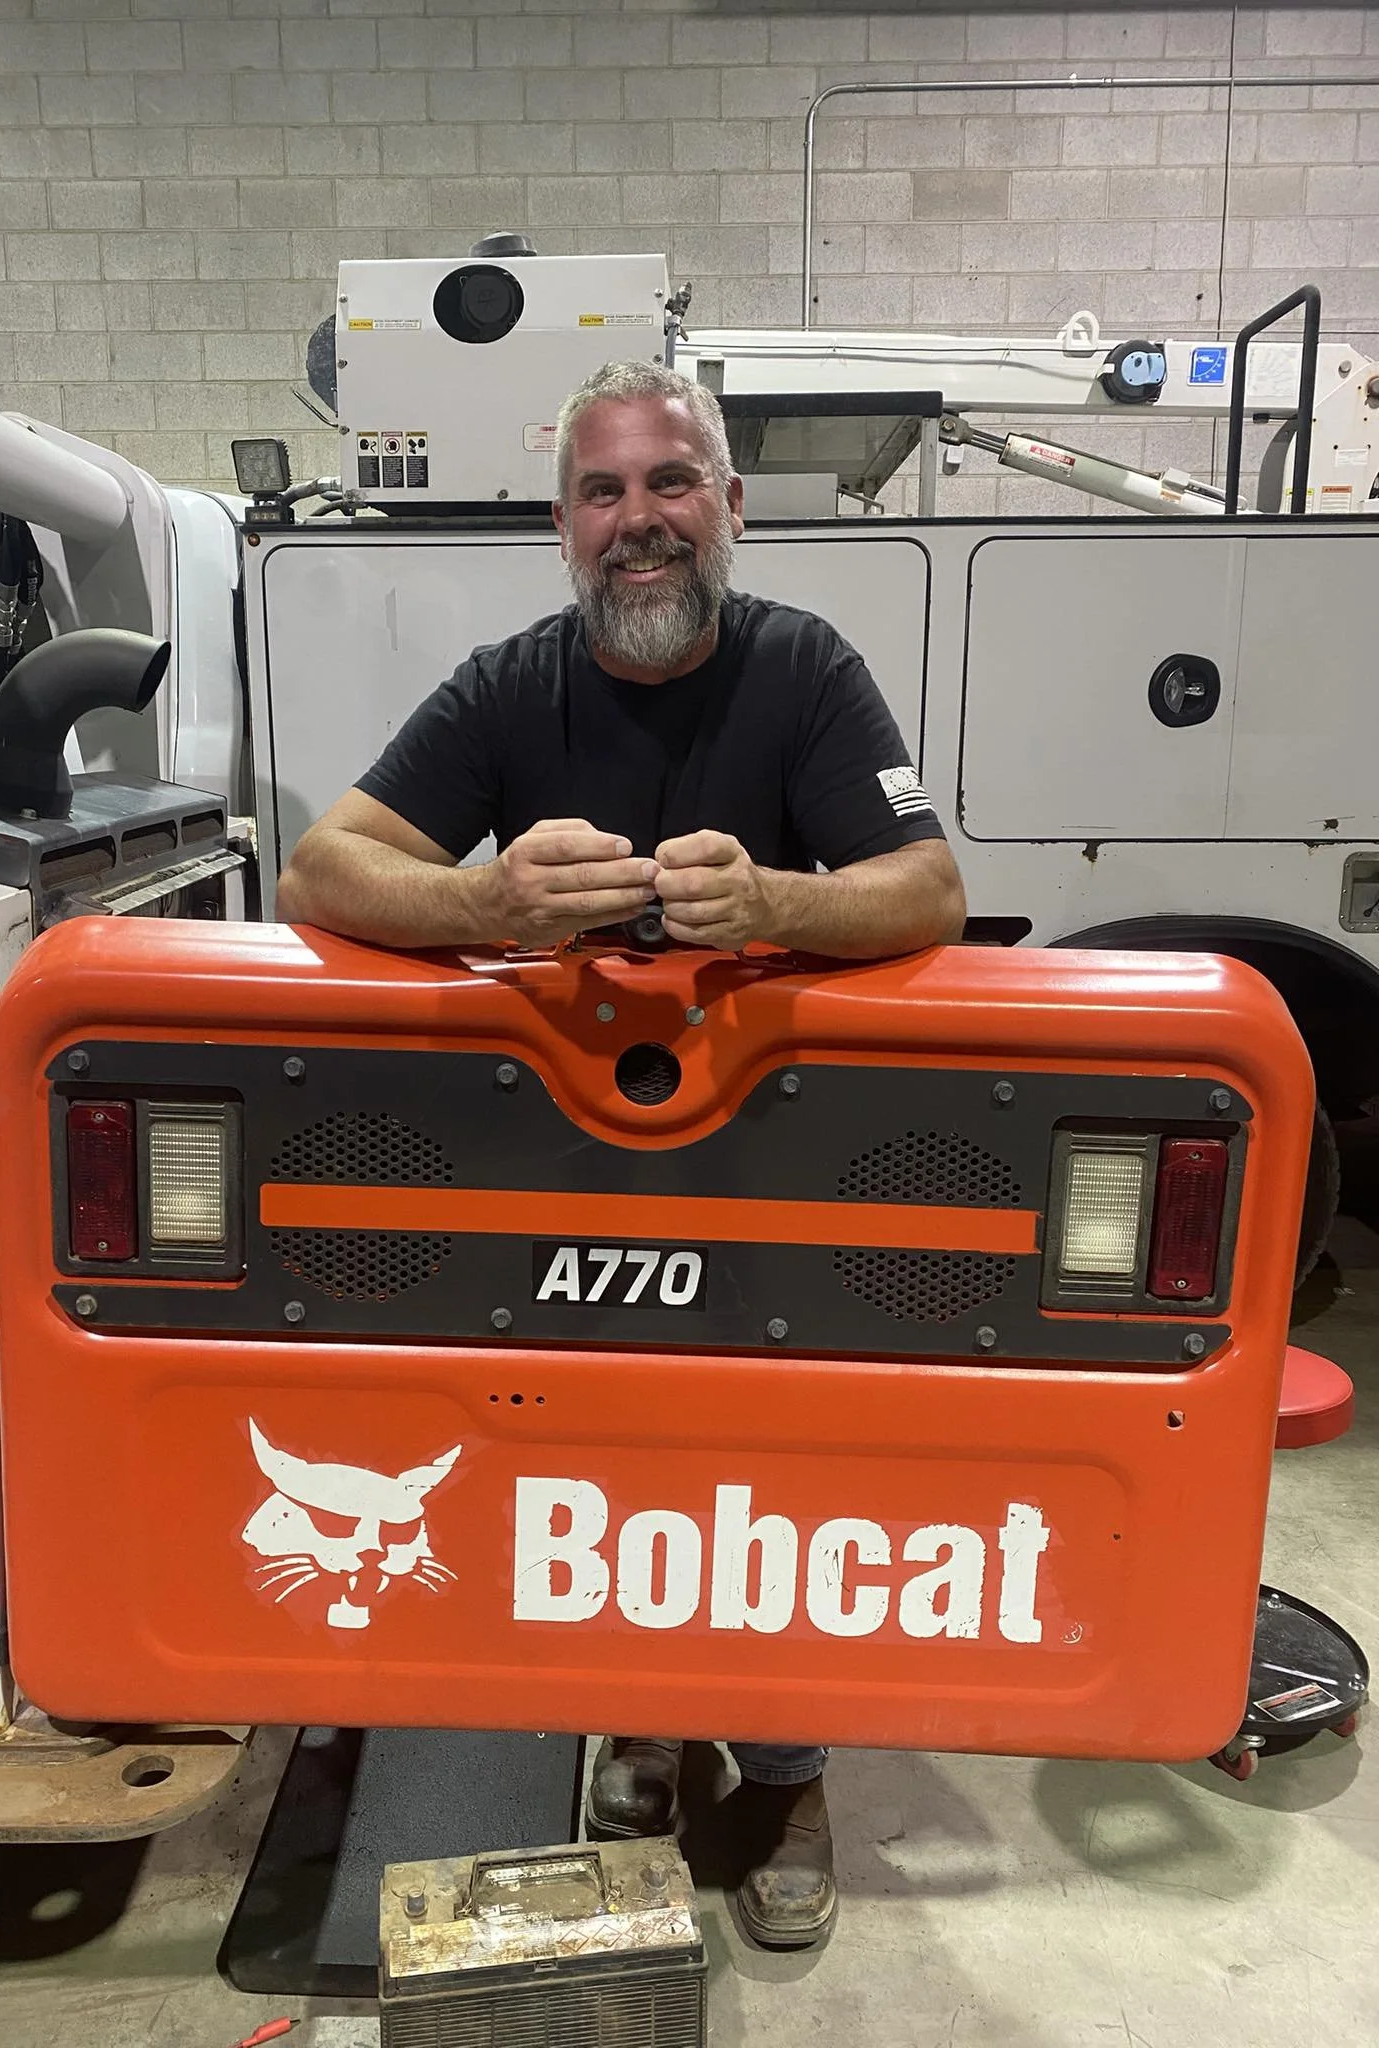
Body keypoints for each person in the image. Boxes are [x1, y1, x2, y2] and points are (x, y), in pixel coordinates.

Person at [277, 360, 967, 1950]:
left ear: (730, 505)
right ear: (562, 526)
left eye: (671, 485)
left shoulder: (802, 670)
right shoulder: (513, 686)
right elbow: (328, 864)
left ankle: (784, 1767)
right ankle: (645, 1721)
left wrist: (785, 907)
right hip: (569, 1177)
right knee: (602, 1467)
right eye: (605, 492)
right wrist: (483, 906)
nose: (638, 521)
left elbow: (927, 887)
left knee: (765, 1474)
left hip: (766, 1172)